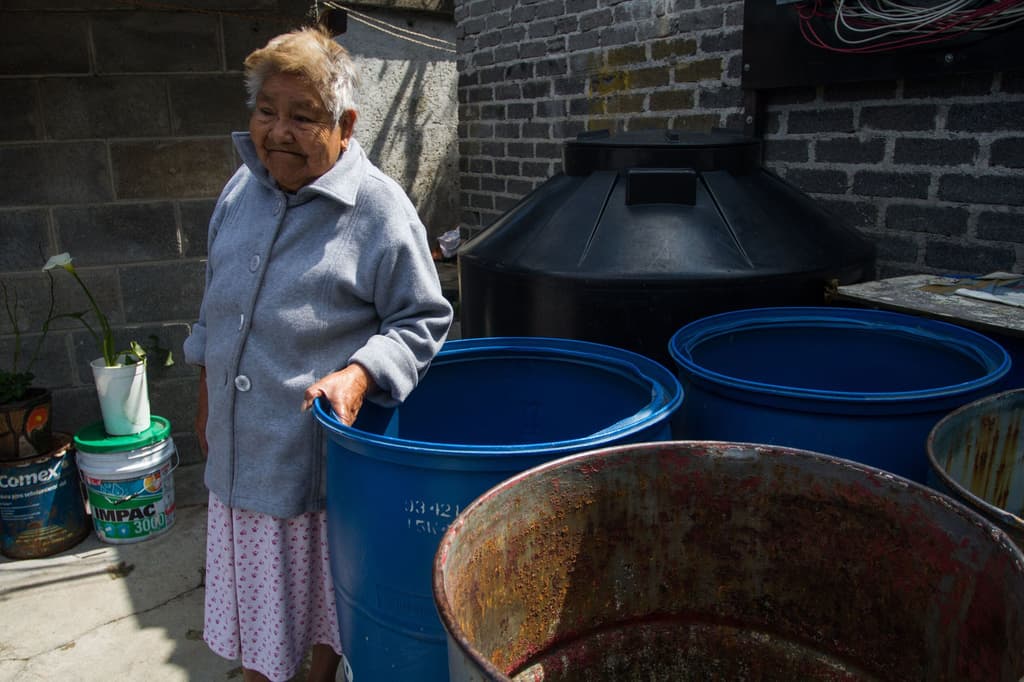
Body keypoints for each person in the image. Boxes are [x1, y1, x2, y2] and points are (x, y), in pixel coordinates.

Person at [182, 26, 453, 682]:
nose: (277, 131)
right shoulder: (240, 191)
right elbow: (213, 310)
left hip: (310, 467)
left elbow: (423, 319)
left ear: (346, 123)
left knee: (318, 610)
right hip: (238, 451)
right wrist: (206, 400)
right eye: (266, 111)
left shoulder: (378, 209)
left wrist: (361, 373)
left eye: (302, 116)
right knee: (257, 612)